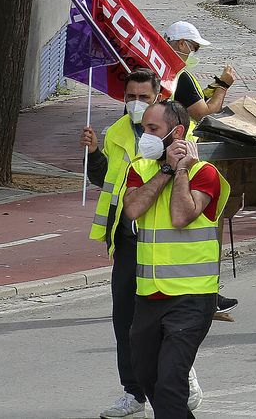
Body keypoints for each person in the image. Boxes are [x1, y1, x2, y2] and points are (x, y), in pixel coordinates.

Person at [122, 99, 230, 419]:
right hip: (149, 295)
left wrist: (181, 169)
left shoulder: (204, 172)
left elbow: (181, 216)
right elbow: (132, 209)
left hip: (191, 297)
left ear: (177, 132)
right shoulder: (139, 167)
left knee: (171, 383)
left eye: (153, 129)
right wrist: (166, 170)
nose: (146, 135)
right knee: (147, 377)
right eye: (144, 129)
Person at [85, 69, 161, 419]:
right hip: (128, 241)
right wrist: (95, 153)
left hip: (163, 242)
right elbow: (105, 181)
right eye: (130, 96)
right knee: (125, 320)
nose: (135, 103)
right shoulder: (115, 133)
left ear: (157, 97)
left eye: (143, 97)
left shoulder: (176, 130)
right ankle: (132, 391)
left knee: (166, 320)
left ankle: (180, 375)